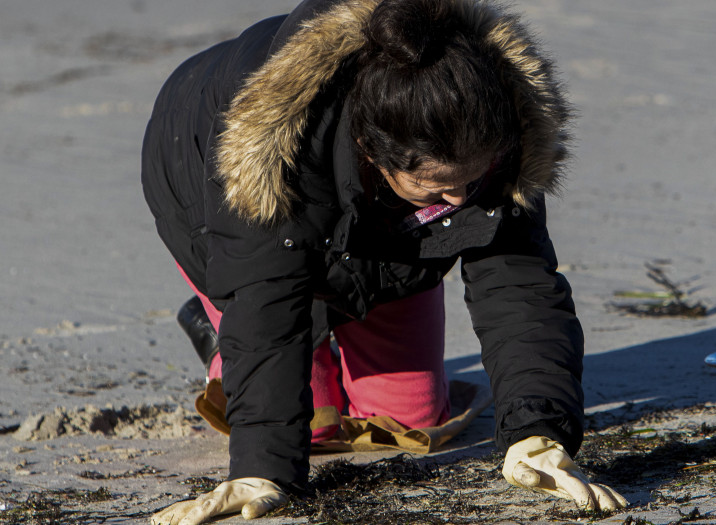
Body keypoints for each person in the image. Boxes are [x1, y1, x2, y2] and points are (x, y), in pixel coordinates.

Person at [141, 0, 627, 522]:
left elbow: (518, 285)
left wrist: (539, 433)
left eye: (471, 179)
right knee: (310, 423)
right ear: (372, 151)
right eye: (438, 186)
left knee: (409, 419)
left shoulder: (496, 121)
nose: (461, 199)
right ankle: (217, 334)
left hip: (388, 244)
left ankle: (334, 326)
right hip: (215, 199)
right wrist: (262, 467)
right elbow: (264, 298)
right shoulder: (273, 146)